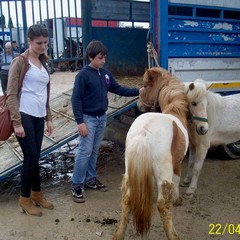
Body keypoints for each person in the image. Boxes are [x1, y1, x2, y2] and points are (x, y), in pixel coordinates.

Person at [71, 40, 141, 203]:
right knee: (84, 151)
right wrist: (80, 121)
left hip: (101, 118)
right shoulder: (83, 75)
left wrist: (139, 91)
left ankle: (90, 179)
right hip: (88, 119)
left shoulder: (106, 75)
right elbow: (76, 99)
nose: (103, 61)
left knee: (94, 150)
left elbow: (119, 89)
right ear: (90, 57)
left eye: (104, 58)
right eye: (100, 58)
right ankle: (76, 184)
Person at [6, 24, 54, 216]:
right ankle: (24, 198)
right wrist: (16, 122)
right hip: (24, 114)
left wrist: (49, 118)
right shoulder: (20, 61)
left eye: (45, 42)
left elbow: (45, 92)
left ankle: (37, 193)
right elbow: (10, 94)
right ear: (29, 41)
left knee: (35, 157)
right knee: (30, 157)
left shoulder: (44, 61)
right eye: (38, 43)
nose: (43, 46)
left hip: (38, 116)